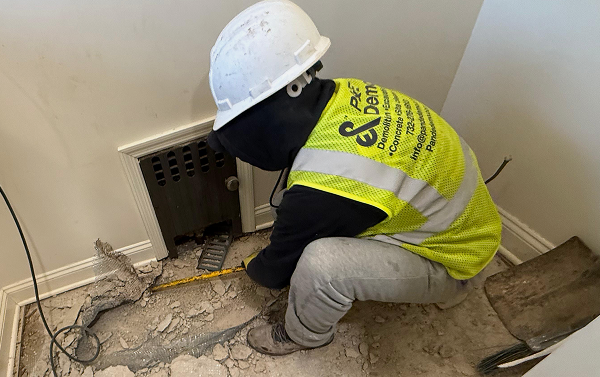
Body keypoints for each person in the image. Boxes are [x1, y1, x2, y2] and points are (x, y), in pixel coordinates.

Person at [206, 0, 502, 356]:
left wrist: (256, 267)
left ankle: (304, 336)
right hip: (464, 218)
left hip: (452, 259)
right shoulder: (344, 93)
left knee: (321, 266)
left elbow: (275, 273)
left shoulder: (327, 186)